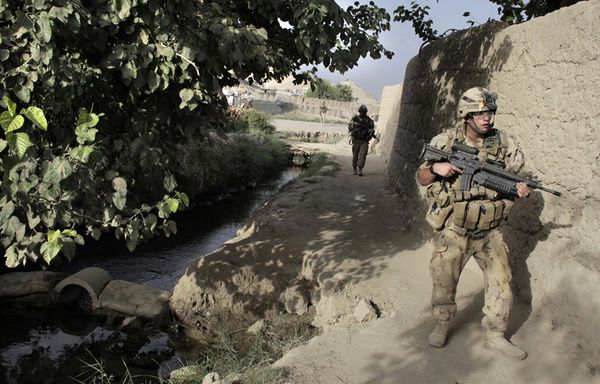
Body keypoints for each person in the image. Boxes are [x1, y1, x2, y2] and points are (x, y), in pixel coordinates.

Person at [416, 87, 531, 360]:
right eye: (479, 113)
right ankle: (442, 325)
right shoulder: (446, 141)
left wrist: (522, 188)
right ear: (466, 115)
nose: (486, 118)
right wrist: (435, 169)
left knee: (502, 283)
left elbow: (518, 178)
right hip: (455, 228)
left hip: (490, 230)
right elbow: (421, 177)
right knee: (444, 279)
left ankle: (496, 334)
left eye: (489, 112)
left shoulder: (505, 144)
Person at [348, 105, 375, 176]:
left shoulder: (369, 121)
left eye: (364, 112)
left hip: (364, 141)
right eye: (361, 112)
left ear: (366, 112)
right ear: (359, 112)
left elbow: (372, 130)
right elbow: (350, 128)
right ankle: (354, 168)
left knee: (362, 155)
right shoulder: (355, 119)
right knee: (355, 155)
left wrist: (370, 132)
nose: (363, 113)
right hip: (356, 140)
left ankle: (360, 169)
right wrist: (354, 125)